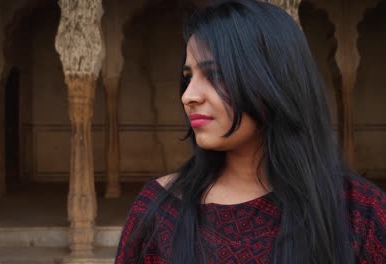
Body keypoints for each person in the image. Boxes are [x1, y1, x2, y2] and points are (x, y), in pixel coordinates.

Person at [114, 0, 386, 263]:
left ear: (273, 82)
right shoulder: (160, 209)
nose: (188, 96)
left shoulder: (359, 211)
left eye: (215, 75)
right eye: (188, 77)